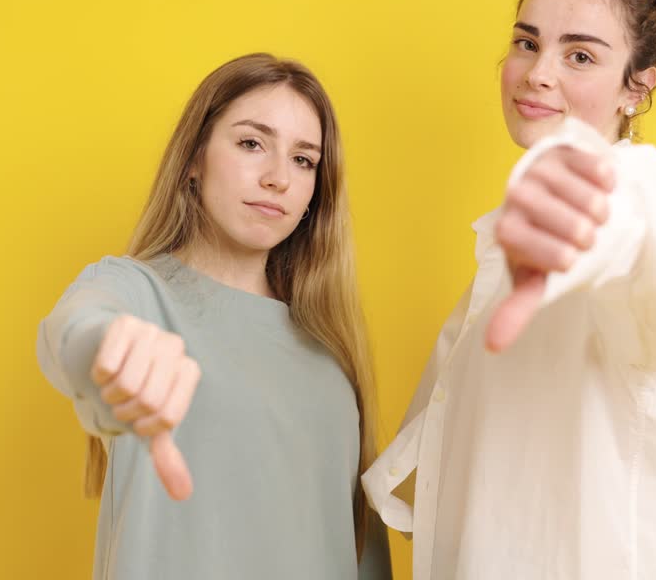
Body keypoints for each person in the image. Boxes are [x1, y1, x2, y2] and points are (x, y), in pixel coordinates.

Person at [362, 0, 656, 579]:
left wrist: (597, 208)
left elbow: (650, 237)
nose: (539, 73)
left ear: (637, 87)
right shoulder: (503, 257)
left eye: (580, 55)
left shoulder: (652, 197)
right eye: (527, 42)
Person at [38, 53, 392, 579]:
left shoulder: (329, 345)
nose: (278, 178)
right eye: (252, 143)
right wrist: (112, 351)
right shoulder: (136, 292)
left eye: (303, 160)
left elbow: (359, 547)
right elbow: (71, 332)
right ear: (194, 158)